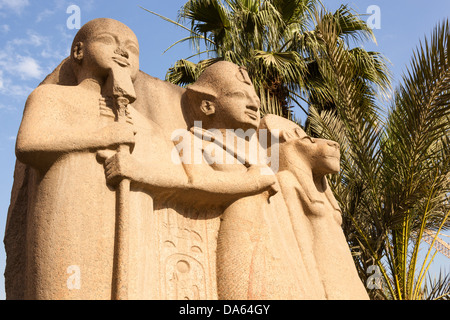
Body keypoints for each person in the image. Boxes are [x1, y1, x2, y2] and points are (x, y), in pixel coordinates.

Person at [10, 18, 157, 299]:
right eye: (108, 41)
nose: (123, 52)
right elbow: (29, 144)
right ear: (79, 51)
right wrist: (102, 136)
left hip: (129, 219)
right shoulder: (51, 97)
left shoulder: (140, 122)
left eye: (131, 48)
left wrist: (137, 169)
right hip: (67, 210)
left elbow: (175, 173)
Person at [260, 115, 370, 299]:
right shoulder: (287, 182)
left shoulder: (322, 191)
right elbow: (297, 242)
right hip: (321, 284)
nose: (334, 144)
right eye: (309, 141)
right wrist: (311, 286)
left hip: (347, 281)